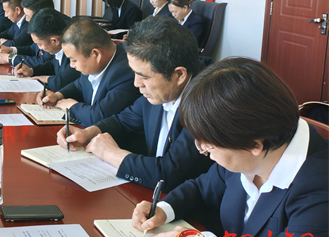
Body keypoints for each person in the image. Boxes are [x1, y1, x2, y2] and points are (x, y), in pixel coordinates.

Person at [133, 58, 328, 237]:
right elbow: (202, 188)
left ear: (255, 145)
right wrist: (163, 209)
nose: (202, 150)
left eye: (208, 144)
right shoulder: (247, 142)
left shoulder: (320, 192)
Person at [57, 16, 214, 192]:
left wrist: (112, 154)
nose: (136, 83)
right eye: (134, 73)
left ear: (179, 75)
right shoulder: (160, 90)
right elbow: (124, 120)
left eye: (143, 76)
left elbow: (169, 174)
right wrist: (88, 133)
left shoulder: (207, 104)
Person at [37, 17, 141, 127]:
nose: (71, 65)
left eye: (74, 60)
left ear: (96, 54)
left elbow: (99, 116)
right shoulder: (95, 64)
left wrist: (72, 106)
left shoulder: (126, 72)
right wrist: (58, 95)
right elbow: (78, 85)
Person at [13, 8, 81, 92]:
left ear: (55, 41)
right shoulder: (59, 49)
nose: (39, 48)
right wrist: (32, 71)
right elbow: (52, 65)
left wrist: (44, 79)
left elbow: (60, 82)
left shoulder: (74, 54)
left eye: (40, 44)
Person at [0, 0, 57, 67]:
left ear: (41, 15)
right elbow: (32, 49)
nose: (26, 19)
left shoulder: (55, 30)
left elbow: (44, 61)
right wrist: (11, 50)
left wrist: (10, 58)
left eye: (28, 16)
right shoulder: (43, 26)